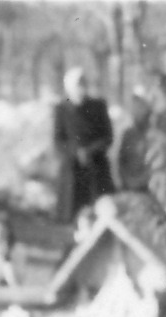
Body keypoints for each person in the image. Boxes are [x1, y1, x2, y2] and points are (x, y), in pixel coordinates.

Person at [51, 67, 116, 223]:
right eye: (77, 85)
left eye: (83, 84)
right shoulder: (62, 108)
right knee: (72, 215)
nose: (80, 88)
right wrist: (75, 152)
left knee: (100, 214)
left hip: (96, 167)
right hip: (72, 169)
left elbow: (107, 136)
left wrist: (90, 151)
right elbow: (58, 140)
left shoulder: (98, 106)